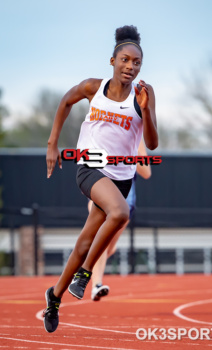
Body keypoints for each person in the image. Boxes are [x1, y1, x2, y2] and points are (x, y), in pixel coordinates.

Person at [44, 25, 158, 333]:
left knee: (84, 242)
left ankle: (54, 297)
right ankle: (84, 275)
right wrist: (53, 143)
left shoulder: (143, 97)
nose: (130, 66)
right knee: (120, 213)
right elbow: (66, 102)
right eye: (125, 59)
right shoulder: (93, 88)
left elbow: (153, 143)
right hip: (90, 167)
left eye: (136, 62)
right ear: (113, 60)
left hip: (122, 176)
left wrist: (147, 112)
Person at [90, 139, 151, 301]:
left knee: (109, 248)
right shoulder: (100, 132)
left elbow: (146, 173)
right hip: (103, 195)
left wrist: (131, 151)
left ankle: (87, 268)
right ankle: (96, 284)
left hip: (126, 203)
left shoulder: (137, 139)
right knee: (102, 240)